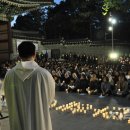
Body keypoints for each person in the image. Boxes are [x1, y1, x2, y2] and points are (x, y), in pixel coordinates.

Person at [4, 41, 55, 130]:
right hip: (39, 121)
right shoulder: (44, 74)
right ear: (35, 54)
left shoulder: (9, 75)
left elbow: (8, 97)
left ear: (19, 55)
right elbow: (50, 98)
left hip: (18, 119)